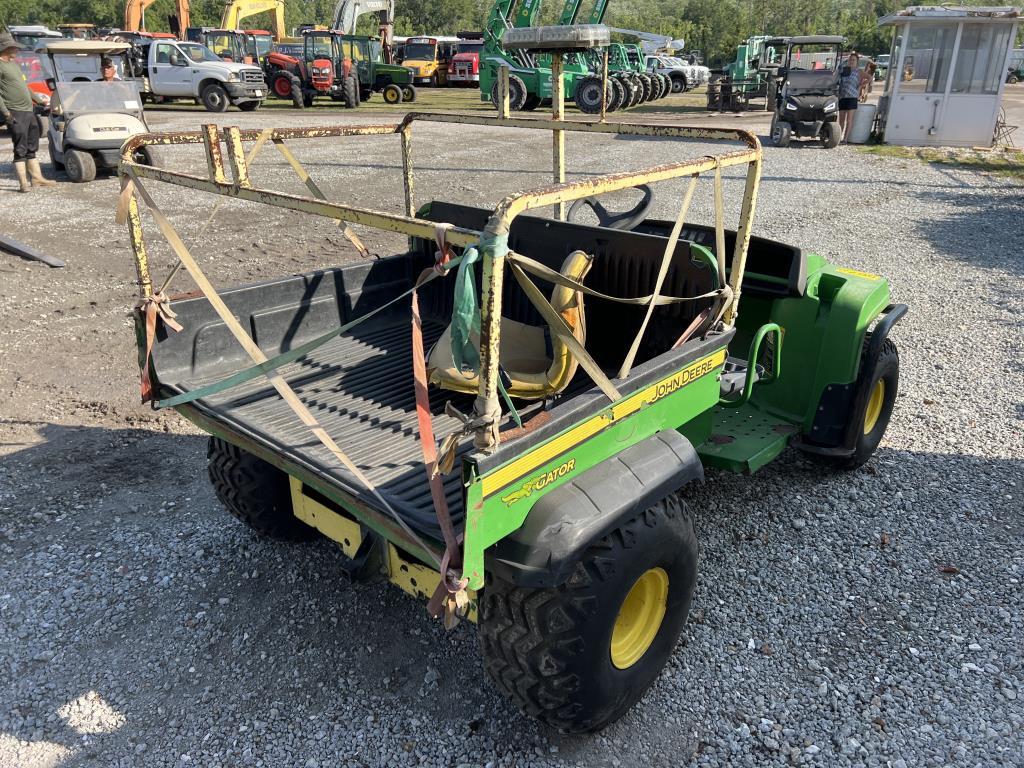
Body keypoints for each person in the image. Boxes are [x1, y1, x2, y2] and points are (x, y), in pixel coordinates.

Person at [0, 32, 56, 192]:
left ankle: (37, 179)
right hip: (14, 111)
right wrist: (6, 113)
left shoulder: (13, 65)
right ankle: (23, 182)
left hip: (28, 109)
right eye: (14, 48)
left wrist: (39, 100)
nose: (16, 50)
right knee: (20, 146)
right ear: (5, 48)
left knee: (32, 143)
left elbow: (25, 87)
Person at [837, 52, 864, 143]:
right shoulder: (844, 70)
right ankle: (839, 136)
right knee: (841, 119)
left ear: (857, 61)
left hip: (852, 97)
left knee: (849, 119)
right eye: (850, 60)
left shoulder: (859, 71)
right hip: (843, 96)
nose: (851, 61)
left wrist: (861, 85)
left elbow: (869, 78)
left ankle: (845, 138)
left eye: (853, 60)